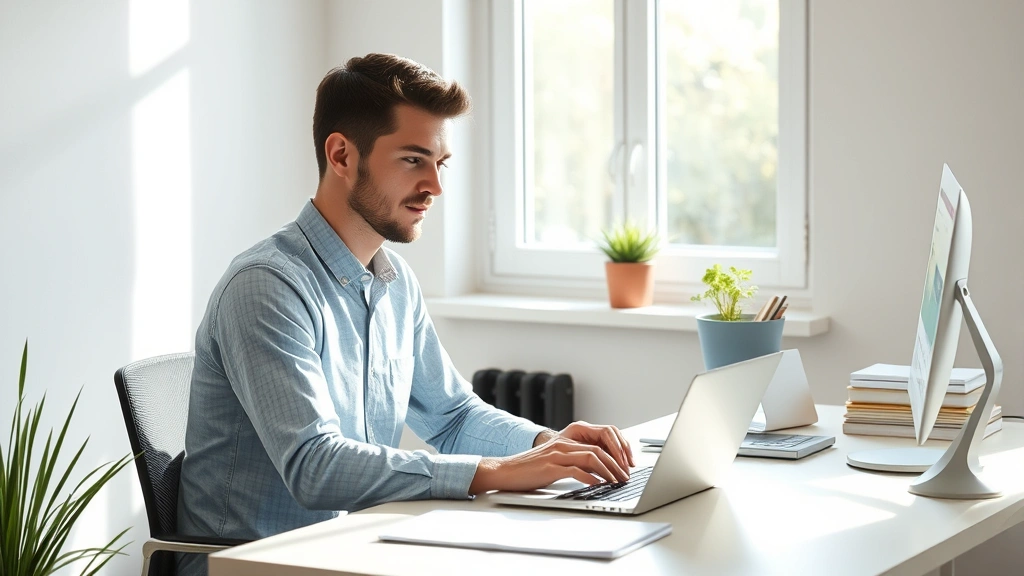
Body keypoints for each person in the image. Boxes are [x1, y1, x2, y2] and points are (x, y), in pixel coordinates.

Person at [176, 53, 634, 575]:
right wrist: (498, 471)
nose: (435, 188)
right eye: (414, 160)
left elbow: (454, 416)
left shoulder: (394, 284)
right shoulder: (266, 285)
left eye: (440, 164)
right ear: (342, 155)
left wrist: (547, 445)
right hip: (255, 566)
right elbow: (314, 466)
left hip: (352, 550)